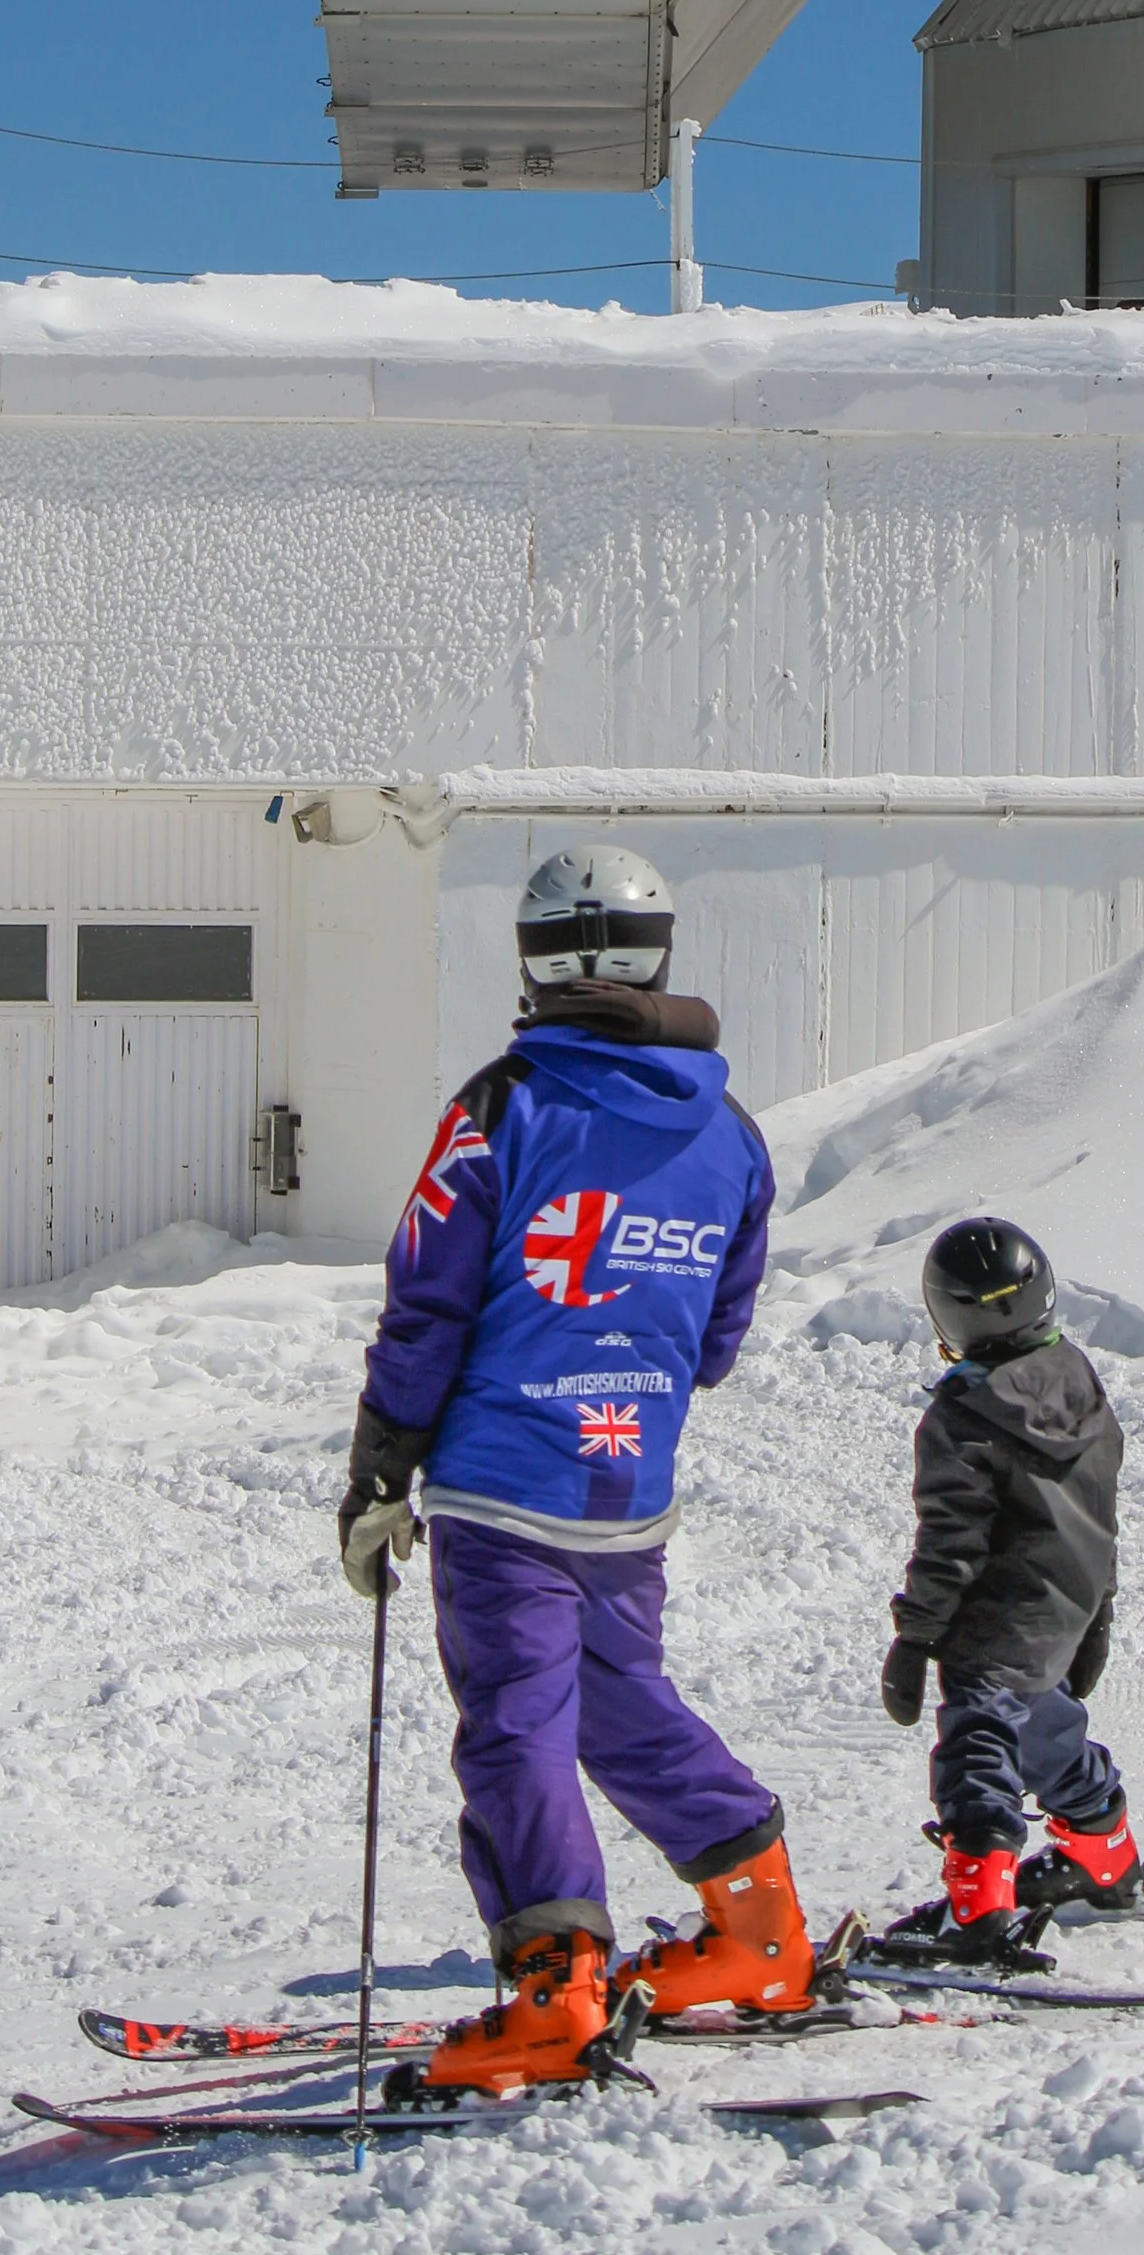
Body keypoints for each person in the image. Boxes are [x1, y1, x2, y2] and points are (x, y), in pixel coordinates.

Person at [336, 845, 814, 2092]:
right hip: (626, 1480)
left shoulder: (504, 1108)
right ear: (657, 950)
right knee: (615, 1699)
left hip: (505, 1478)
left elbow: (427, 1296)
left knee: (518, 1722)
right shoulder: (731, 1130)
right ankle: (759, 1926)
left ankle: (556, 1986)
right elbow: (715, 1334)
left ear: (536, 958)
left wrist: (384, 1458)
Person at [878, 1216, 1144, 1956]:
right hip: (1067, 1601)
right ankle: (1104, 1849)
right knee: (1043, 1720)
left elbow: (950, 1544)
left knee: (980, 1743)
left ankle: (979, 1910)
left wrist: (917, 1636)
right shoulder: (1077, 1378)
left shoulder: (962, 1416)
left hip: (1000, 1617)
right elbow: (1099, 1505)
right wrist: (1100, 1610)